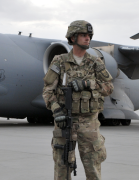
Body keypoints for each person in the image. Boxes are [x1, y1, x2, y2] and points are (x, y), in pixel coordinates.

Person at [42, 20, 114, 180]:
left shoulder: (95, 62)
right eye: (83, 35)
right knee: (61, 168)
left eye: (89, 35)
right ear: (72, 38)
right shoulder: (59, 62)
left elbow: (109, 87)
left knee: (93, 168)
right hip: (64, 122)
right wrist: (56, 110)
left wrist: (88, 84)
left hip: (89, 124)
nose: (87, 38)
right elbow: (48, 90)